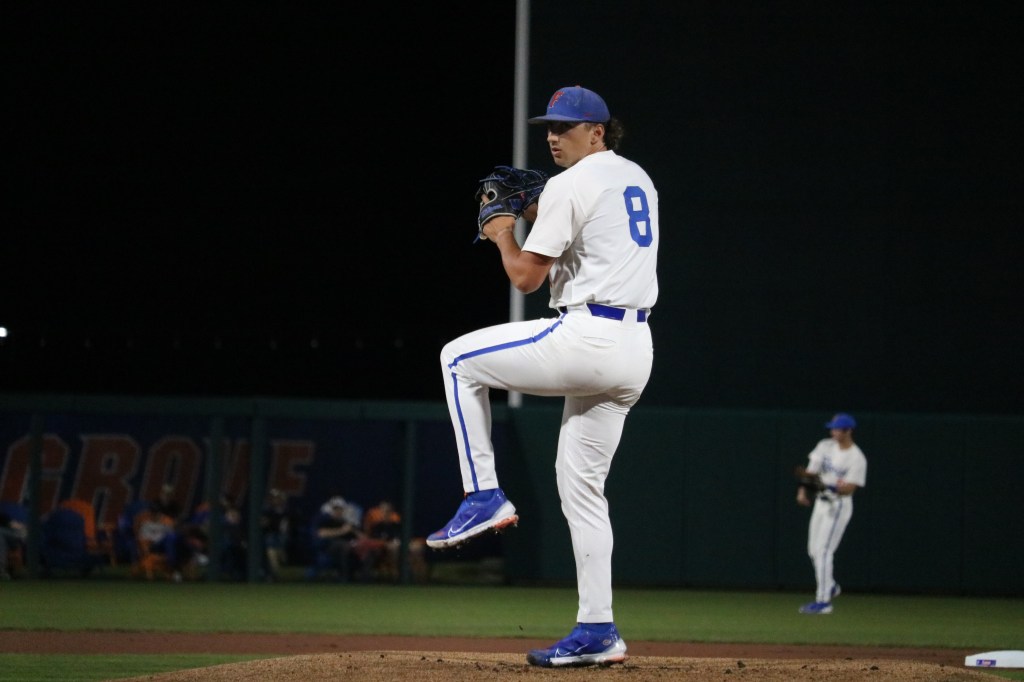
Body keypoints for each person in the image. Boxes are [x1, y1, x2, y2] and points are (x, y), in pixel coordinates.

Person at [426, 85, 659, 668]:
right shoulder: (638, 178)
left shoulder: (570, 184)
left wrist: (503, 229)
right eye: (549, 127)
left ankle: (483, 494)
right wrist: (539, 211)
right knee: (582, 492)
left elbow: (526, 278)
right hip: (635, 348)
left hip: (588, 337)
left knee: (456, 360)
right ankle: (598, 629)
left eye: (565, 127)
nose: (553, 137)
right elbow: (592, 244)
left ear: (598, 131)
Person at [796, 412, 868, 614]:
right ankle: (831, 586)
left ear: (848, 431)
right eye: (832, 428)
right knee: (813, 550)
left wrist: (829, 486)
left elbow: (850, 489)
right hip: (820, 503)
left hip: (838, 506)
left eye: (837, 429)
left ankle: (824, 602)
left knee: (824, 551)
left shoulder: (857, 458)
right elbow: (810, 472)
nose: (833, 432)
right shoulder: (825, 446)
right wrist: (802, 491)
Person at [261, 489, 293, 581]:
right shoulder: (267, 510)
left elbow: (288, 527)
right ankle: (274, 573)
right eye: (274, 498)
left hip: (282, 536)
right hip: (271, 535)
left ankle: (279, 569)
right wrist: (265, 522)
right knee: (271, 550)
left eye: (278, 498)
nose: (276, 500)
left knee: (281, 554)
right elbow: (264, 523)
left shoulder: (287, 511)